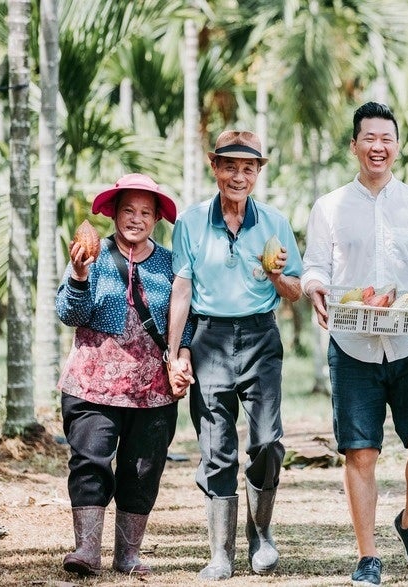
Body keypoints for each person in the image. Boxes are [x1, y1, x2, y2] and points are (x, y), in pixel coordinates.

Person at [301, 101, 408, 586]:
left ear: (397, 146)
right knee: (361, 454)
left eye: (386, 138)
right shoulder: (328, 207)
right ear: (354, 145)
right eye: (368, 138)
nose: (378, 146)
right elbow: (314, 269)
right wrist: (315, 289)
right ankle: (368, 556)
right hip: (352, 344)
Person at [166, 130, 302, 580]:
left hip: (261, 336)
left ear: (259, 172)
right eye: (229, 166)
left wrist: (276, 275)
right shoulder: (188, 222)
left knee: (267, 440)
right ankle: (220, 553)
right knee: (215, 447)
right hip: (208, 337)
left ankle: (261, 535)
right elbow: (182, 289)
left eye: (248, 168)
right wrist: (175, 353)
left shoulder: (276, 223)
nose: (238, 176)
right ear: (214, 167)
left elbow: (295, 291)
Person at [56, 173, 191, 577]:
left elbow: (188, 319)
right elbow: (68, 313)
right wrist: (80, 276)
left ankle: (128, 555)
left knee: (143, 469)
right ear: (113, 213)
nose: (136, 219)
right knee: (89, 463)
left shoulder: (170, 263)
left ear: (156, 219)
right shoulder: (89, 255)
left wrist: (182, 355)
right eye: (128, 210)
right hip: (92, 385)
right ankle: (87, 551)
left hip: (153, 389)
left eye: (145, 212)